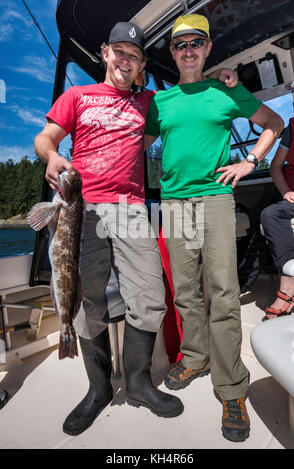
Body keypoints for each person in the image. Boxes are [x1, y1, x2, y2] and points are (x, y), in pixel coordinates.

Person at [34, 21, 236, 436]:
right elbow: (46, 137)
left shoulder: (149, 101)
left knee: (149, 296)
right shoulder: (77, 96)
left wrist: (218, 76)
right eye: (119, 52)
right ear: (105, 53)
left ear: (141, 65)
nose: (125, 60)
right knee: (87, 298)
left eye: (134, 56)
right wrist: (52, 157)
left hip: (129, 209)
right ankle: (98, 390)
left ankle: (140, 383)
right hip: (81, 208)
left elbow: (187, 93)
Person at [145, 14, 284, 443]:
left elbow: (274, 126)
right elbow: (133, 140)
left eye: (196, 44)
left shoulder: (225, 90)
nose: (188, 50)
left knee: (222, 292)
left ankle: (231, 387)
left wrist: (250, 162)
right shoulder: (159, 104)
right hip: (174, 203)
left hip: (216, 199)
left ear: (206, 49)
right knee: (186, 292)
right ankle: (196, 357)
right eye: (180, 45)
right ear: (172, 53)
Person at [260, 115, 294, 320]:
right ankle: (288, 288)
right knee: (270, 214)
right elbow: (275, 166)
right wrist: (286, 192)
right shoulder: (293, 126)